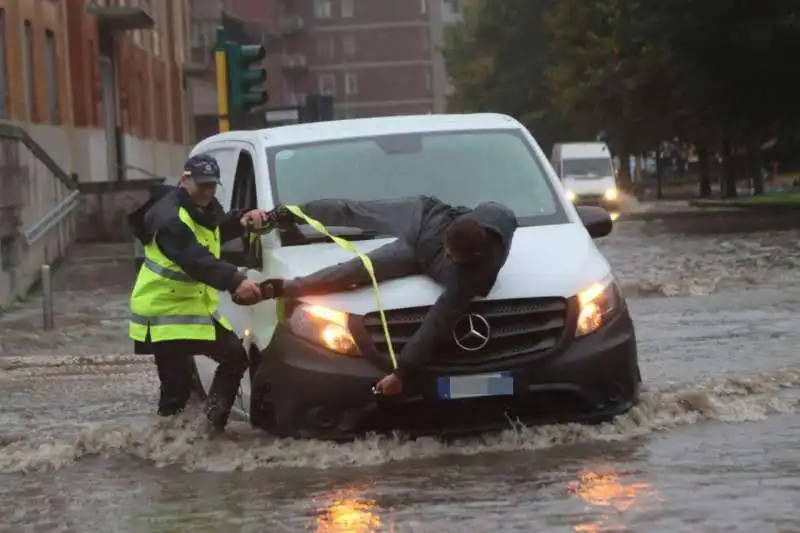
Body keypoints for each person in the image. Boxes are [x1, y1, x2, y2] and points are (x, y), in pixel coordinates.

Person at [261, 196, 518, 395]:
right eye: (447, 249)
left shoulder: (470, 279)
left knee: (358, 270)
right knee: (354, 212)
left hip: (414, 254)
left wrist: (401, 373)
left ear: (473, 257)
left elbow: (435, 324)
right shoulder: (461, 226)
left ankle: (285, 287)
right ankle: (285, 214)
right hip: (422, 217)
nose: (448, 255)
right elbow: (500, 211)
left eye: (452, 256)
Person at [128, 154, 268, 435]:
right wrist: (234, 280)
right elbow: (194, 257)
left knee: (233, 359)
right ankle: (177, 444)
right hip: (164, 313)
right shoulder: (169, 218)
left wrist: (242, 219)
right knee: (177, 391)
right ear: (184, 180)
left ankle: (204, 430)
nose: (206, 191)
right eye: (201, 185)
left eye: (212, 186)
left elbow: (214, 228)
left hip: (190, 309)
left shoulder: (200, 208)